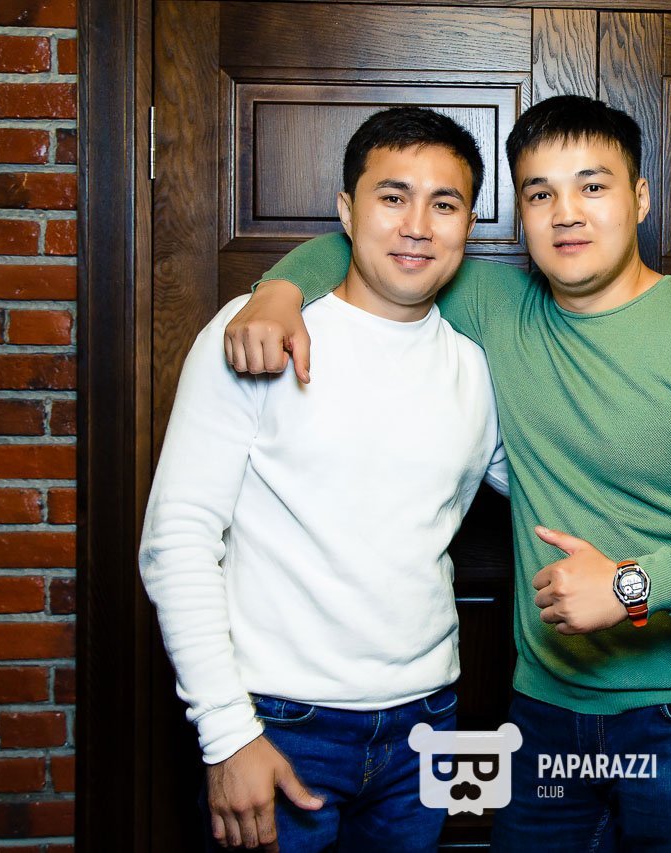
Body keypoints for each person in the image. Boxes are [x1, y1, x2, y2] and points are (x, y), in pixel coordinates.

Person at [224, 95, 671, 851]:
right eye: (541, 194)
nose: (566, 214)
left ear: (640, 198)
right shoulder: (498, 305)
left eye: (592, 186)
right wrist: (277, 292)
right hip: (544, 709)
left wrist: (631, 585)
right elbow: (365, 246)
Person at [138, 107, 507, 852]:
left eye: (444, 204)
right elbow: (177, 541)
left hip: (428, 724)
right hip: (279, 722)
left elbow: (557, 489)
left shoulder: (475, 368)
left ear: (467, 225)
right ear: (347, 210)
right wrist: (227, 734)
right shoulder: (255, 336)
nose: (416, 226)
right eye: (392, 197)